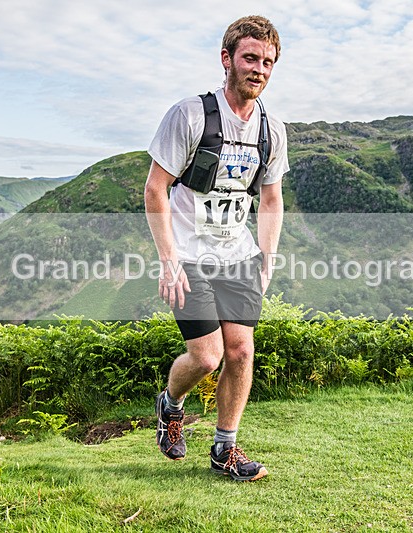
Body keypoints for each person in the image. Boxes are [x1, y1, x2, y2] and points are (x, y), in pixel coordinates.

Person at [144, 15, 288, 482]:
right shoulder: (189, 115)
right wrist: (168, 261)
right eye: (250, 58)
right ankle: (171, 404)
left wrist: (266, 257)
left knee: (241, 352)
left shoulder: (272, 129)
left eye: (267, 62)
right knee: (207, 358)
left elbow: (270, 198)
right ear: (226, 59)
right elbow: (155, 189)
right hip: (188, 254)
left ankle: (224, 449)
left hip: (240, 255)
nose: (259, 69)